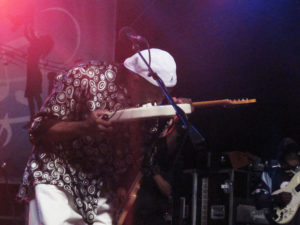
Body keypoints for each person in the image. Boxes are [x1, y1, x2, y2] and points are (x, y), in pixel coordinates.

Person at [17, 48, 191, 225]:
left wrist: (175, 120)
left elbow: (147, 158)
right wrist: (84, 127)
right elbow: (37, 131)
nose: (161, 98)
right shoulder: (85, 77)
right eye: (156, 91)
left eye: (165, 92)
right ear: (135, 79)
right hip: (57, 178)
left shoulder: (149, 107)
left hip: (101, 187)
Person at [253, 137, 300, 225]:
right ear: (283, 154)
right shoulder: (272, 172)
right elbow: (258, 198)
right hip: (280, 219)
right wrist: (276, 198)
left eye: (295, 152)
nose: (293, 155)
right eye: (290, 152)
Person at [24, 25, 54, 127]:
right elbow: (27, 34)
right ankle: (33, 118)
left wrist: (27, 23)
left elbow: (28, 34)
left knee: (35, 96)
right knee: (31, 97)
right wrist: (26, 24)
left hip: (34, 73)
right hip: (31, 73)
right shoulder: (36, 43)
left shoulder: (37, 44)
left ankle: (41, 117)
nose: (40, 36)